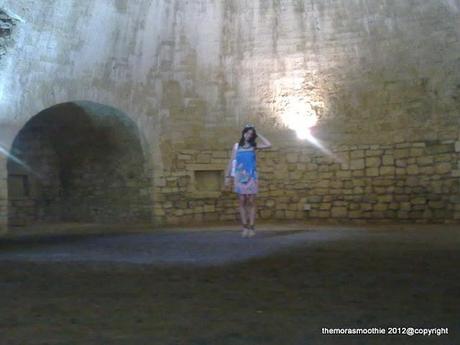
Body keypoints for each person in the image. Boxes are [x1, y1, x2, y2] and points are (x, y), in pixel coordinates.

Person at [224, 124, 272, 238]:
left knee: (251, 201)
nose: (248, 135)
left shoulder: (253, 146)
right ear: (243, 133)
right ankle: (244, 227)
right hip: (239, 176)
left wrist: (258, 133)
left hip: (251, 176)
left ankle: (252, 227)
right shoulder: (236, 146)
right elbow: (231, 162)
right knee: (242, 201)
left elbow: (269, 144)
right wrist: (227, 177)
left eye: (251, 134)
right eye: (247, 132)